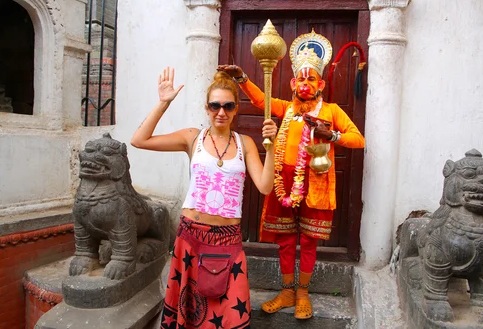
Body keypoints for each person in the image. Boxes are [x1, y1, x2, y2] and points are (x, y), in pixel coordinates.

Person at [218, 30, 365, 320]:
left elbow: (358, 139)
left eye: (312, 79)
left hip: (317, 185)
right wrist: (242, 78)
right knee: (285, 241)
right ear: (292, 82)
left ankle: (302, 294)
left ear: (320, 83)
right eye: (301, 78)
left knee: (308, 242)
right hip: (282, 184)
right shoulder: (285, 110)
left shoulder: (332, 111)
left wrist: (332, 134)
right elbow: (262, 101)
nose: (306, 83)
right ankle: (286, 291)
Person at [131, 67, 277, 329]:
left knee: (230, 315)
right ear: (207, 107)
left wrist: (272, 146)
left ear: (235, 109)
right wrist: (164, 103)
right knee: (189, 314)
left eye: (228, 106)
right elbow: (139, 140)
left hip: (228, 240)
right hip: (191, 238)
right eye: (215, 105)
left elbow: (265, 187)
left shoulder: (245, 144)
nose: (221, 112)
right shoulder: (192, 138)